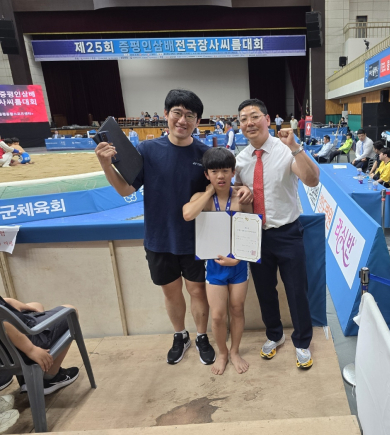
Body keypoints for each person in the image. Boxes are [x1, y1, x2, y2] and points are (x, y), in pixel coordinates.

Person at [95, 89, 251, 366]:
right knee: (170, 292)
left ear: (197, 121)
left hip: (196, 239)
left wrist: (243, 189)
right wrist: (106, 165)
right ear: (166, 114)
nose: (182, 120)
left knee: (197, 291)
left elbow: (222, 186)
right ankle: (180, 335)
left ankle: (201, 336)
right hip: (159, 237)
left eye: (190, 115)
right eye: (177, 113)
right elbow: (125, 189)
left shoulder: (204, 154)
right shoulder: (147, 150)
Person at [235, 98, 320, 369]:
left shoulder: (286, 150)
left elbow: (312, 180)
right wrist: (240, 191)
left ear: (267, 119)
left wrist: (295, 147)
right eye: (243, 119)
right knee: (265, 291)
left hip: (287, 233)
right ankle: (274, 335)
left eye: (254, 116)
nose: (249, 123)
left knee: (296, 290)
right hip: (256, 235)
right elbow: (235, 194)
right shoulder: (240, 160)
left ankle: (302, 341)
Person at [183, 148, 253, 375]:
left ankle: (235, 351)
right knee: (217, 315)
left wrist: (238, 258)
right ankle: (222, 353)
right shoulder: (201, 198)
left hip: (239, 264)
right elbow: (187, 215)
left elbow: (251, 232)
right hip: (213, 266)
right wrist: (209, 192)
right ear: (206, 174)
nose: (220, 176)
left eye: (225, 171)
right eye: (214, 172)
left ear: (233, 172)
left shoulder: (242, 197)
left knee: (237, 309)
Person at [0, 296, 80, 395]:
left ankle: (27, 377)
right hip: (20, 343)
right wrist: (31, 350)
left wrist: (7, 302)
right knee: (71, 311)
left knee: (37, 305)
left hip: (3, 355)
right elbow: (4, 322)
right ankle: (51, 377)